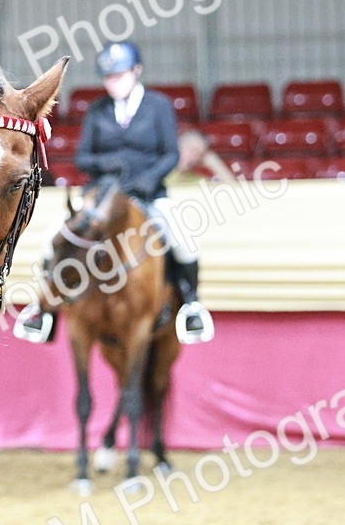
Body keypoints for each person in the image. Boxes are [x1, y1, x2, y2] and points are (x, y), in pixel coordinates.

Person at [17, 41, 214, 345]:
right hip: (101, 196)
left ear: (136, 71)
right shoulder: (97, 110)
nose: (113, 83)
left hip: (148, 193)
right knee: (52, 239)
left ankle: (191, 305)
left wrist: (146, 181)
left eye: (119, 76)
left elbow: (171, 155)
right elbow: (82, 157)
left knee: (182, 237)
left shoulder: (158, 105)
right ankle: (43, 310)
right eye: (108, 78)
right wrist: (106, 163)